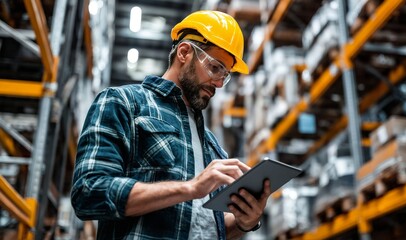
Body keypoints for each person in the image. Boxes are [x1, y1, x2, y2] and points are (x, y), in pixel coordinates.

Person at [71, 10, 270, 239]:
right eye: (215, 68)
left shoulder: (212, 145)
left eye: (225, 75)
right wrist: (190, 188)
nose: (219, 83)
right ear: (184, 52)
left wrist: (245, 221)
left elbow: (204, 225)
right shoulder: (123, 103)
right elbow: (89, 192)